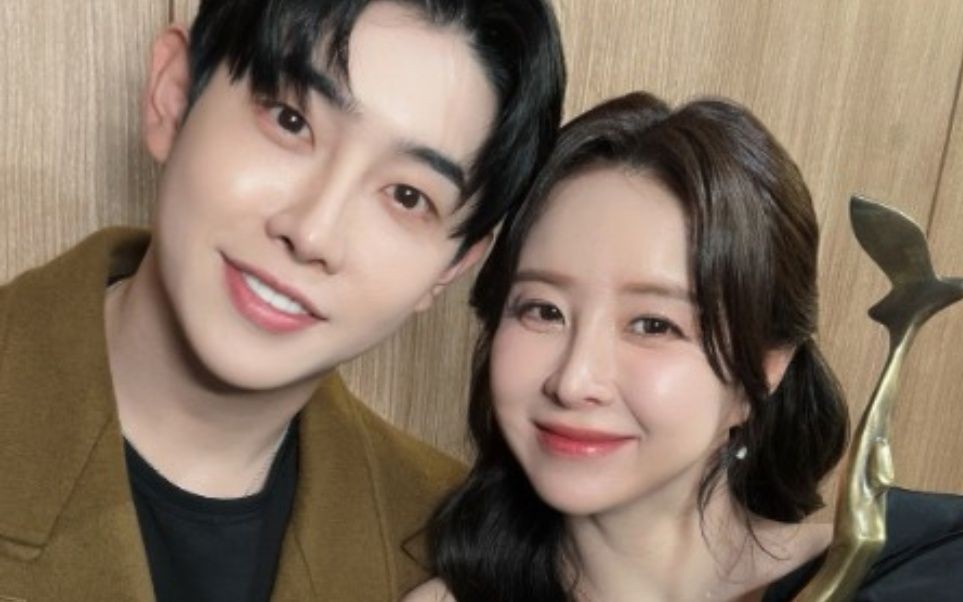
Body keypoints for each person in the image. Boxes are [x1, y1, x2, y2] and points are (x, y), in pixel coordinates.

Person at [0, 1, 564, 600]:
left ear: (452, 267)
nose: (313, 233)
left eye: (406, 196)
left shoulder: (455, 552)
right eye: (291, 121)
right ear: (175, 95)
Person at [407, 94, 963, 601]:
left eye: (653, 325)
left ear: (763, 369)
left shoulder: (935, 572)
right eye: (543, 310)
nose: (573, 379)